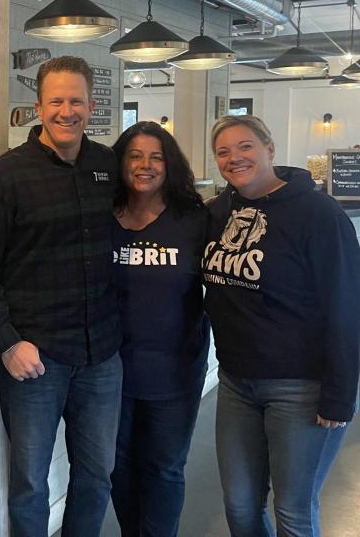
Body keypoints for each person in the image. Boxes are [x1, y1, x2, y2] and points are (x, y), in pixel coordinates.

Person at [0, 56, 122, 537]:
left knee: (97, 477)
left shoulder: (107, 166)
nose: (66, 111)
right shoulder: (2, 177)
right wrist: (8, 343)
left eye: (76, 101)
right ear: (38, 106)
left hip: (102, 356)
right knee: (31, 485)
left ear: (92, 106)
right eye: (56, 101)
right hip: (35, 360)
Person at [203, 115, 360, 537]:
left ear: (269, 149)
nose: (234, 158)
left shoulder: (317, 214)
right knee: (240, 505)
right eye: (223, 151)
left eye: (245, 147)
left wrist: (340, 395)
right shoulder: (220, 211)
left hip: (300, 386)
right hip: (237, 383)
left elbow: (347, 305)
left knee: (293, 510)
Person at [109, 121, 210, 537]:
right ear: (120, 163)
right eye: (135, 155)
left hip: (175, 371)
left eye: (156, 157)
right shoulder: (102, 218)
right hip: (109, 372)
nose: (145, 165)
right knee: (117, 466)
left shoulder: (195, 220)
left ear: (170, 165)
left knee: (164, 468)